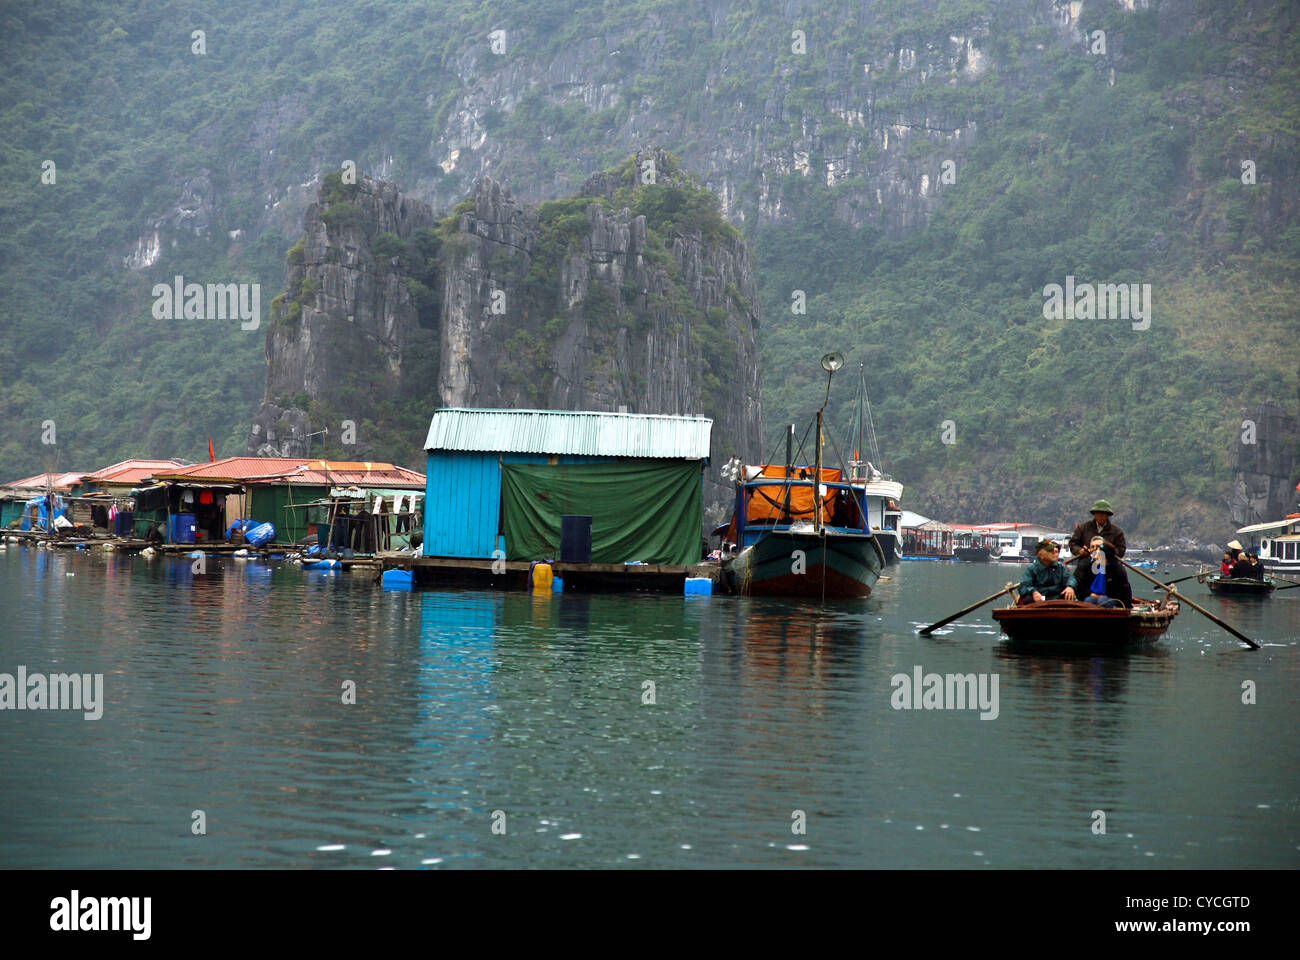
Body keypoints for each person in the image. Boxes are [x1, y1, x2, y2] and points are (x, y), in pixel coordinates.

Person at [1075, 536, 1131, 608]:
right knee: (1088, 600)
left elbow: (1121, 593)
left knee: (1102, 601)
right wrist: (1090, 594)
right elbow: (1083, 586)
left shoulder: (1117, 570)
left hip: (1114, 599)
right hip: (1094, 596)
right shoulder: (1092, 566)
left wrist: (1101, 596)